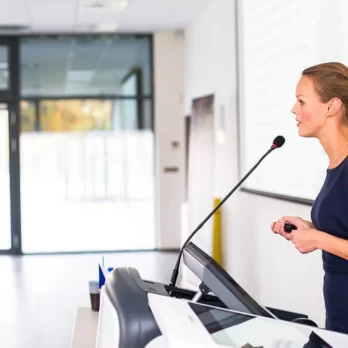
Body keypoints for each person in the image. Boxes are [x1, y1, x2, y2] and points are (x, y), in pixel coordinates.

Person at [271, 62, 348, 335]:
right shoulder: (336, 164)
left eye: (301, 101)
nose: (294, 109)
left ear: (332, 106)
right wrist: (312, 229)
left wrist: (318, 239)